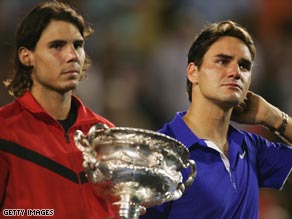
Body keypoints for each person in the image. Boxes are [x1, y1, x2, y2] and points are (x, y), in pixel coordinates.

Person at [141, 20, 292, 219]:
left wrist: (271, 116)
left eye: (244, 66)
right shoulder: (160, 153)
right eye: (222, 61)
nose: (235, 72)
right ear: (193, 72)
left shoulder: (250, 147)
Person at [0, 1, 117, 218]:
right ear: (27, 56)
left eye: (78, 45)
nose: (72, 56)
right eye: (57, 46)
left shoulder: (106, 133)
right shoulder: (4, 130)